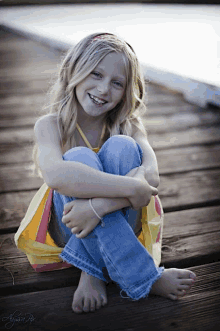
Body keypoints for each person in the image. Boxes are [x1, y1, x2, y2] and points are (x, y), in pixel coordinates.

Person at [33, 33, 196, 314]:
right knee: (78, 158)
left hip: (105, 217)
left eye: (117, 83)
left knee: (122, 147)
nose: (104, 89)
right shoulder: (50, 125)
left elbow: (151, 177)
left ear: (126, 90)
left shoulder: (129, 125)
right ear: (74, 70)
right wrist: (129, 188)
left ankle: (91, 272)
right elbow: (56, 176)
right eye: (96, 74)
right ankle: (144, 276)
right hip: (70, 224)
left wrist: (98, 207)